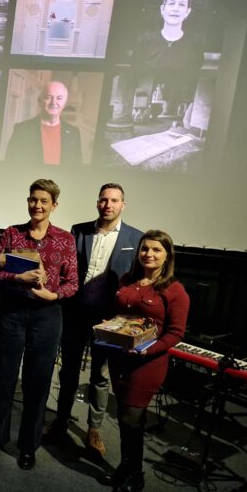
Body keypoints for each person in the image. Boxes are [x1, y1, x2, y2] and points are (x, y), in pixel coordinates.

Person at [0, 179, 78, 469]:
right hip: (12, 312)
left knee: (38, 382)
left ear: (54, 205)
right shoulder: (12, 234)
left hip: (47, 316)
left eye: (44, 201)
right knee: (3, 377)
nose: (37, 205)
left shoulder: (65, 239)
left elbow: (72, 283)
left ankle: (28, 446)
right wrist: (16, 277)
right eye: (33, 199)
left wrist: (54, 294)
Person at [43, 184, 143, 456]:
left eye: (114, 200)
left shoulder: (136, 238)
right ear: (97, 202)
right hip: (75, 313)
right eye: (103, 200)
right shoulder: (78, 231)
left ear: (123, 204)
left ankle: (94, 429)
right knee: (69, 370)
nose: (108, 205)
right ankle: (61, 420)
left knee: (100, 375)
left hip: (109, 320)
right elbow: (67, 270)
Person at [100, 230, 189, 492]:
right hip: (119, 357)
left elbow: (175, 333)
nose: (149, 254)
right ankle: (125, 466)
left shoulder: (174, 290)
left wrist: (146, 349)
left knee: (132, 416)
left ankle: (135, 476)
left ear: (167, 256)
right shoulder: (128, 280)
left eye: (156, 250)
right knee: (123, 414)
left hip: (148, 363)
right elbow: (120, 314)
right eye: (145, 248)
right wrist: (110, 326)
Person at [4, 80, 82, 167]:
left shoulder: (74, 133)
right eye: (48, 97)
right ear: (39, 101)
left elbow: (76, 168)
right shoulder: (22, 130)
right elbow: (10, 166)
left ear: (65, 103)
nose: (53, 103)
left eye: (59, 98)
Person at [131, 0, 204, 71]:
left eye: (181, 4)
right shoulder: (145, 41)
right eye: (171, 3)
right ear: (162, 9)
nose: (175, 9)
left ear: (187, 12)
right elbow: (135, 73)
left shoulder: (195, 44)